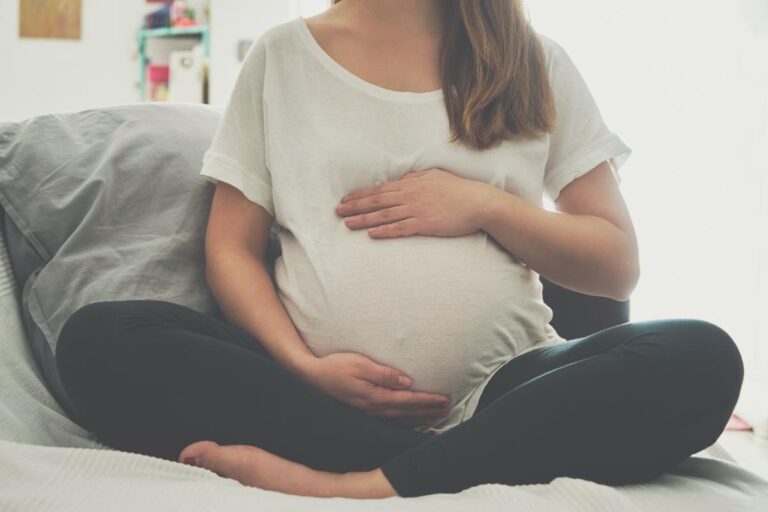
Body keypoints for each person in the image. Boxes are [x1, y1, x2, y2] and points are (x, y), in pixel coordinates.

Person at [55, 0, 744, 499]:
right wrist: (303, 365)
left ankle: (365, 484)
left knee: (703, 356)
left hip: (504, 391)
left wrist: (482, 203)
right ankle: (443, 466)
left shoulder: (534, 63)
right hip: (313, 397)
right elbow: (230, 249)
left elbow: (616, 262)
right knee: (97, 340)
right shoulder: (284, 57)